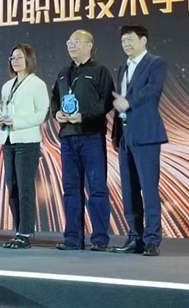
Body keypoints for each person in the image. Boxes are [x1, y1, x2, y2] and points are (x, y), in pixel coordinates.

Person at [50, 29, 114, 251]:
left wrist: (83, 116)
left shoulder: (100, 71)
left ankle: (100, 239)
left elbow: (106, 102)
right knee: (70, 189)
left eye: (77, 41)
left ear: (89, 45)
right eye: (70, 42)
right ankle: (73, 238)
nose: (72, 45)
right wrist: (56, 113)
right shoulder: (63, 73)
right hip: (68, 137)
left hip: (91, 136)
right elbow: (55, 98)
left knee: (97, 188)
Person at [108, 24, 168, 257]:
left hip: (146, 134)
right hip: (125, 135)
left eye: (130, 40)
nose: (126, 44)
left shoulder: (155, 63)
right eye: (123, 41)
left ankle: (152, 240)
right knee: (129, 189)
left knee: (148, 189)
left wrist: (129, 101)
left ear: (143, 40)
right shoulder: (123, 67)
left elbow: (153, 90)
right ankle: (135, 237)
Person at [0, 44, 49, 249]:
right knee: (13, 186)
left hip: (27, 141)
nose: (15, 61)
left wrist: (15, 122)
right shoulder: (7, 86)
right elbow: (3, 110)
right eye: (12, 58)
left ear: (29, 59)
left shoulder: (37, 84)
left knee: (25, 188)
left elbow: (41, 114)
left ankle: (26, 232)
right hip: (8, 140)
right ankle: (18, 231)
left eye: (19, 57)